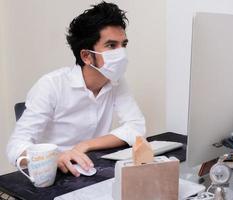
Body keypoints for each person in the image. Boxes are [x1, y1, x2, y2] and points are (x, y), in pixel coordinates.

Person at [6, 1, 145, 177]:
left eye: (123, 44)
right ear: (86, 56)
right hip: (52, 176)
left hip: (89, 169)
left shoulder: (116, 81)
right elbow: (15, 146)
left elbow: (136, 127)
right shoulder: (51, 85)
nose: (121, 53)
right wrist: (56, 157)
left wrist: (85, 145)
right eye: (111, 46)